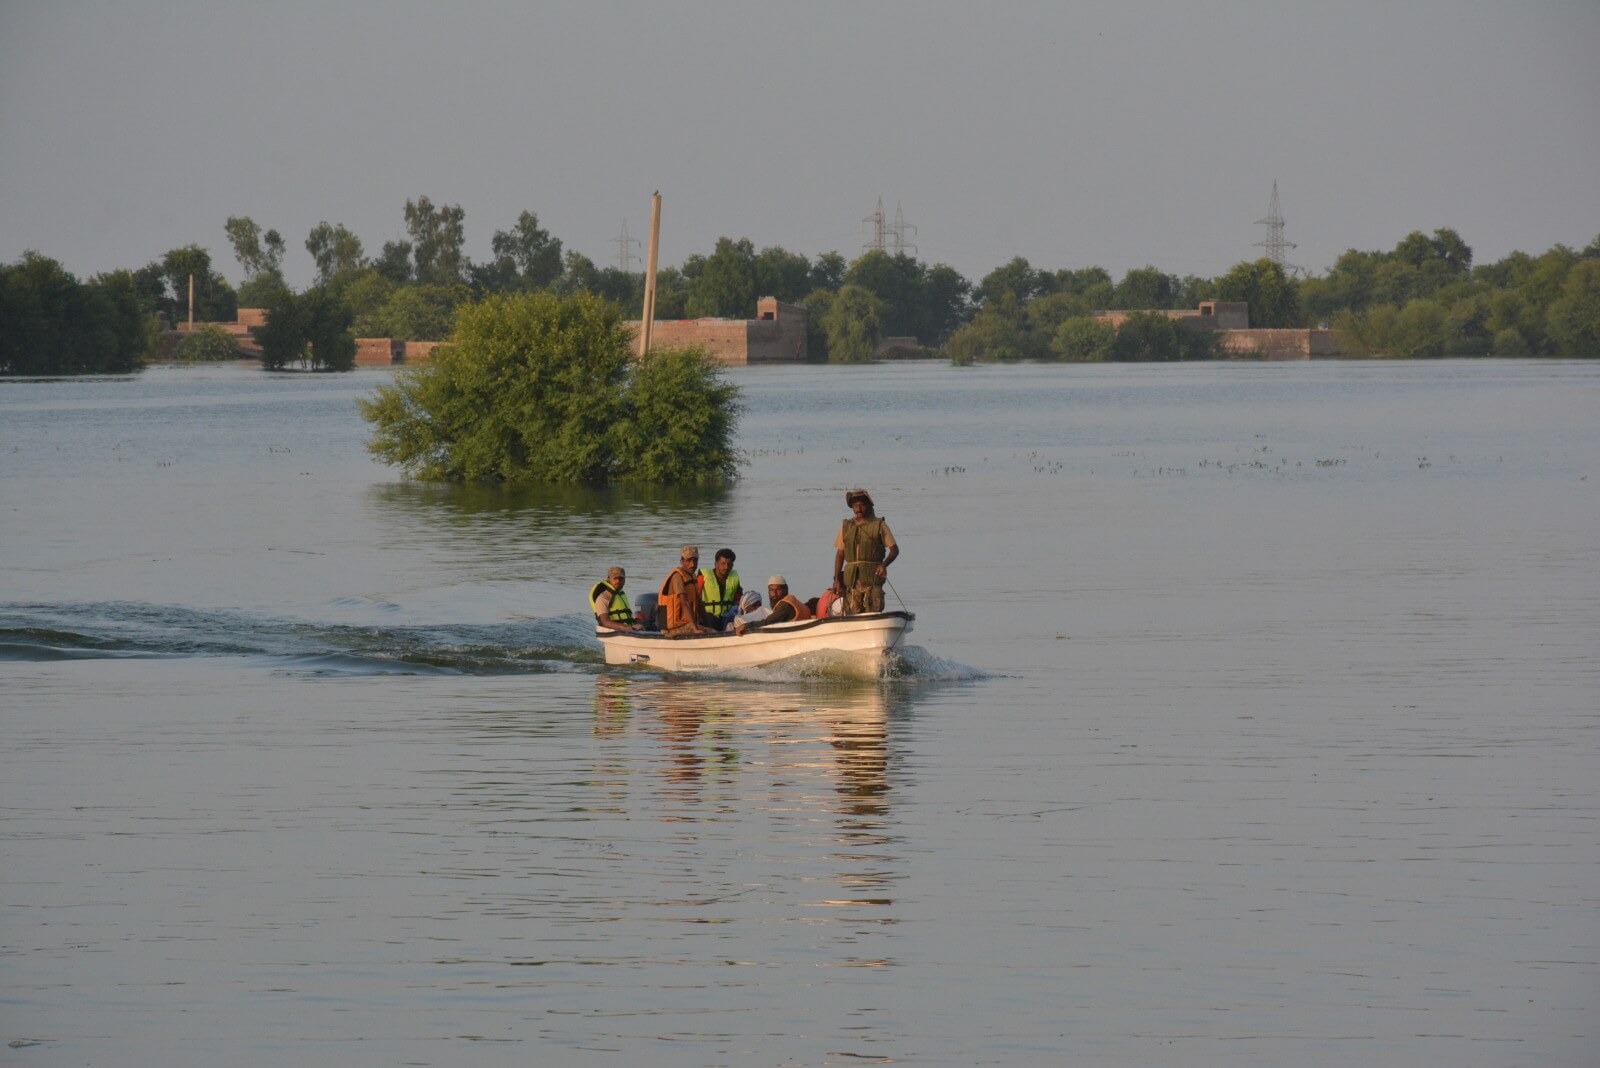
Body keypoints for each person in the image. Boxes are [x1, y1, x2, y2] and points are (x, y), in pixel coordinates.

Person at [833, 488, 898, 614]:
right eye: (855, 506)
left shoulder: (879, 525)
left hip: (873, 578)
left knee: (874, 610)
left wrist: (884, 565)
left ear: (868, 505)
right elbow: (840, 554)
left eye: (861, 505)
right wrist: (837, 579)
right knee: (853, 612)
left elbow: (894, 550)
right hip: (852, 581)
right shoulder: (846, 526)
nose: (858, 509)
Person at [658, 546, 710, 636]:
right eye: (688, 560)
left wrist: (709, 623)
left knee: (714, 628)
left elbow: (699, 603)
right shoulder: (677, 577)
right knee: (711, 633)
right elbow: (684, 602)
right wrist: (695, 629)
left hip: (686, 624)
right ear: (681, 561)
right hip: (673, 629)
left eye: (695, 560)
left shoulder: (693, 576)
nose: (692, 564)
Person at [735, 576, 814, 634]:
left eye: (778, 590)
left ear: (785, 590)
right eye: (771, 590)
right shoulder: (792, 600)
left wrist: (746, 626)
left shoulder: (785, 605)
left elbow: (768, 622)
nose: (775, 594)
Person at [697, 548, 742, 631]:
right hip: (708, 617)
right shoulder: (703, 577)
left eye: (729, 564)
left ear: (732, 565)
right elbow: (695, 597)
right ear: (716, 564)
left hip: (727, 617)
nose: (726, 567)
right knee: (710, 620)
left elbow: (739, 600)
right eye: (723, 564)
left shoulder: (734, 578)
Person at [589, 566, 641, 631]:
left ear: (625, 579)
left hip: (627, 631)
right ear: (608, 579)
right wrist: (628, 628)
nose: (618, 581)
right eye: (615, 578)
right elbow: (605, 622)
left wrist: (638, 622)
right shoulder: (603, 596)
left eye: (621, 578)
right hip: (613, 633)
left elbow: (627, 615)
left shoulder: (620, 593)